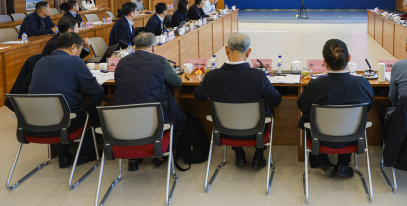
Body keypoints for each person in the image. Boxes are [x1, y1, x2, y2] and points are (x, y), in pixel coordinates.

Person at [194, 32, 282, 169]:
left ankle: (239, 154)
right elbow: (275, 101)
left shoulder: (212, 76)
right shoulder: (258, 76)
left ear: (226, 49)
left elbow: (199, 97)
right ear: (248, 52)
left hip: (225, 130)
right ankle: (259, 155)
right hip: (255, 130)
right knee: (268, 110)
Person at [297, 39, 374, 178]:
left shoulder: (315, 85)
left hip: (320, 138)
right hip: (353, 137)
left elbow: (301, 105)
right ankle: (343, 164)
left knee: (307, 119)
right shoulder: (363, 84)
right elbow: (369, 106)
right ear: (349, 58)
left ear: (324, 62)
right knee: (351, 120)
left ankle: (324, 163)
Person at [28, 32, 104, 168]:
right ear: (73, 47)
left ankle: (63, 156)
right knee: (96, 111)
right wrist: (100, 104)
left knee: (57, 111)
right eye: (80, 51)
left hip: (35, 122)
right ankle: (85, 153)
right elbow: (95, 91)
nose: (79, 55)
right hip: (66, 123)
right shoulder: (75, 61)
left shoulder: (40, 62)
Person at [113, 32, 185, 171]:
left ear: (135, 47)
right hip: (154, 120)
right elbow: (177, 83)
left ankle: (133, 159)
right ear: (153, 47)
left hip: (124, 120)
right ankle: (161, 154)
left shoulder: (121, 62)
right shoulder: (160, 61)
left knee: (134, 119)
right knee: (181, 121)